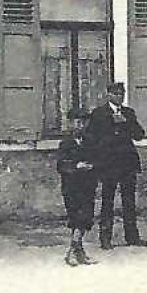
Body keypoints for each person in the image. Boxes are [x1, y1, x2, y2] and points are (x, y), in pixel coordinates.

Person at [84, 81, 147, 249]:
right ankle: (105, 238)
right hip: (108, 164)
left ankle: (132, 237)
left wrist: (126, 122)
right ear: (109, 95)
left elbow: (139, 135)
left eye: (122, 94)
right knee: (108, 201)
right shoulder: (99, 114)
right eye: (116, 94)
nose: (119, 97)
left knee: (129, 201)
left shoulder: (128, 113)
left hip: (127, 163)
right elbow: (91, 138)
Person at [56, 109, 97, 266]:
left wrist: (92, 165)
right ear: (70, 123)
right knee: (76, 218)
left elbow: (98, 158)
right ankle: (74, 251)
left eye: (84, 122)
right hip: (71, 186)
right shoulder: (65, 143)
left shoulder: (90, 141)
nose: (81, 125)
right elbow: (60, 165)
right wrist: (75, 166)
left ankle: (77, 251)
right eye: (77, 122)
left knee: (86, 218)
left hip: (87, 185)